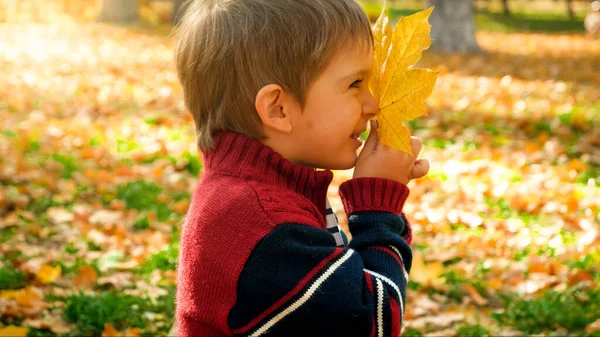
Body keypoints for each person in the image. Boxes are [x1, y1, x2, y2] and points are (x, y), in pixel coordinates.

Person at [173, 0, 430, 336]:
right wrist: (379, 208)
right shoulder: (263, 222)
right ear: (278, 109)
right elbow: (370, 323)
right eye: (355, 84)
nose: (372, 105)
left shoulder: (263, 193)